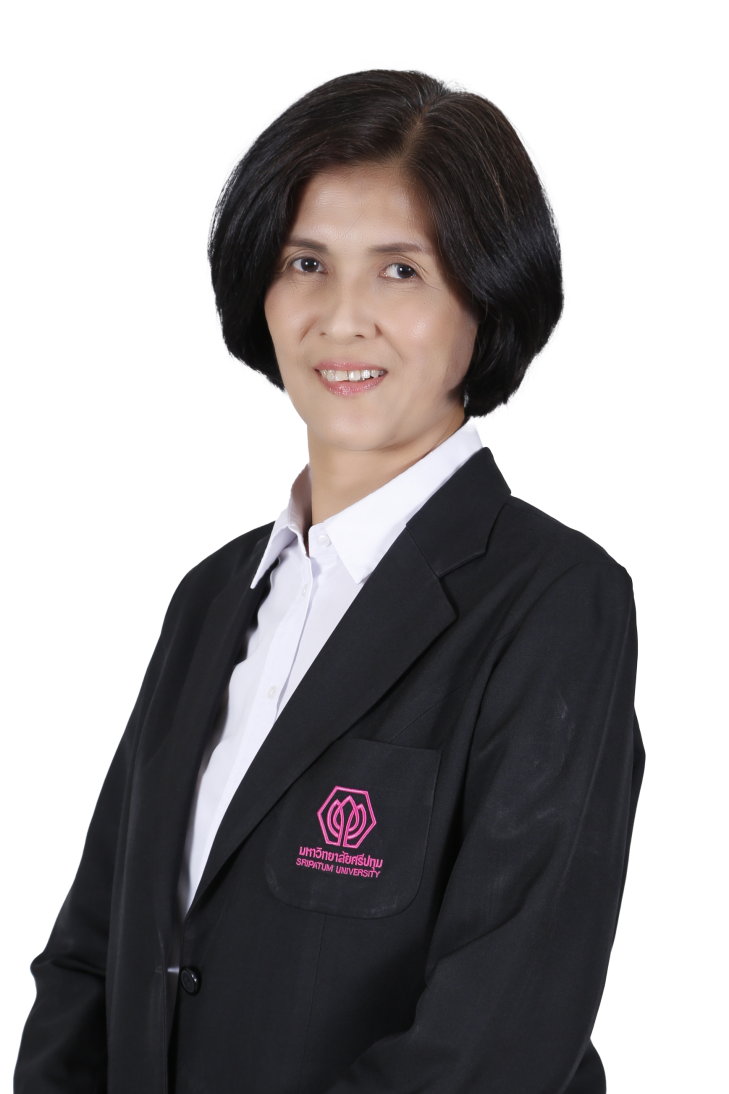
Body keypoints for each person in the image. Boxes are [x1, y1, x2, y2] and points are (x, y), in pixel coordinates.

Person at [14, 63, 644, 1093]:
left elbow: (497, 1034)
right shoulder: (212, 594)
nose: (342, 318)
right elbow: (93, 949)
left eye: (400, 270)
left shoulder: (555, 599)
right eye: (306, 262)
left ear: (485, 294)